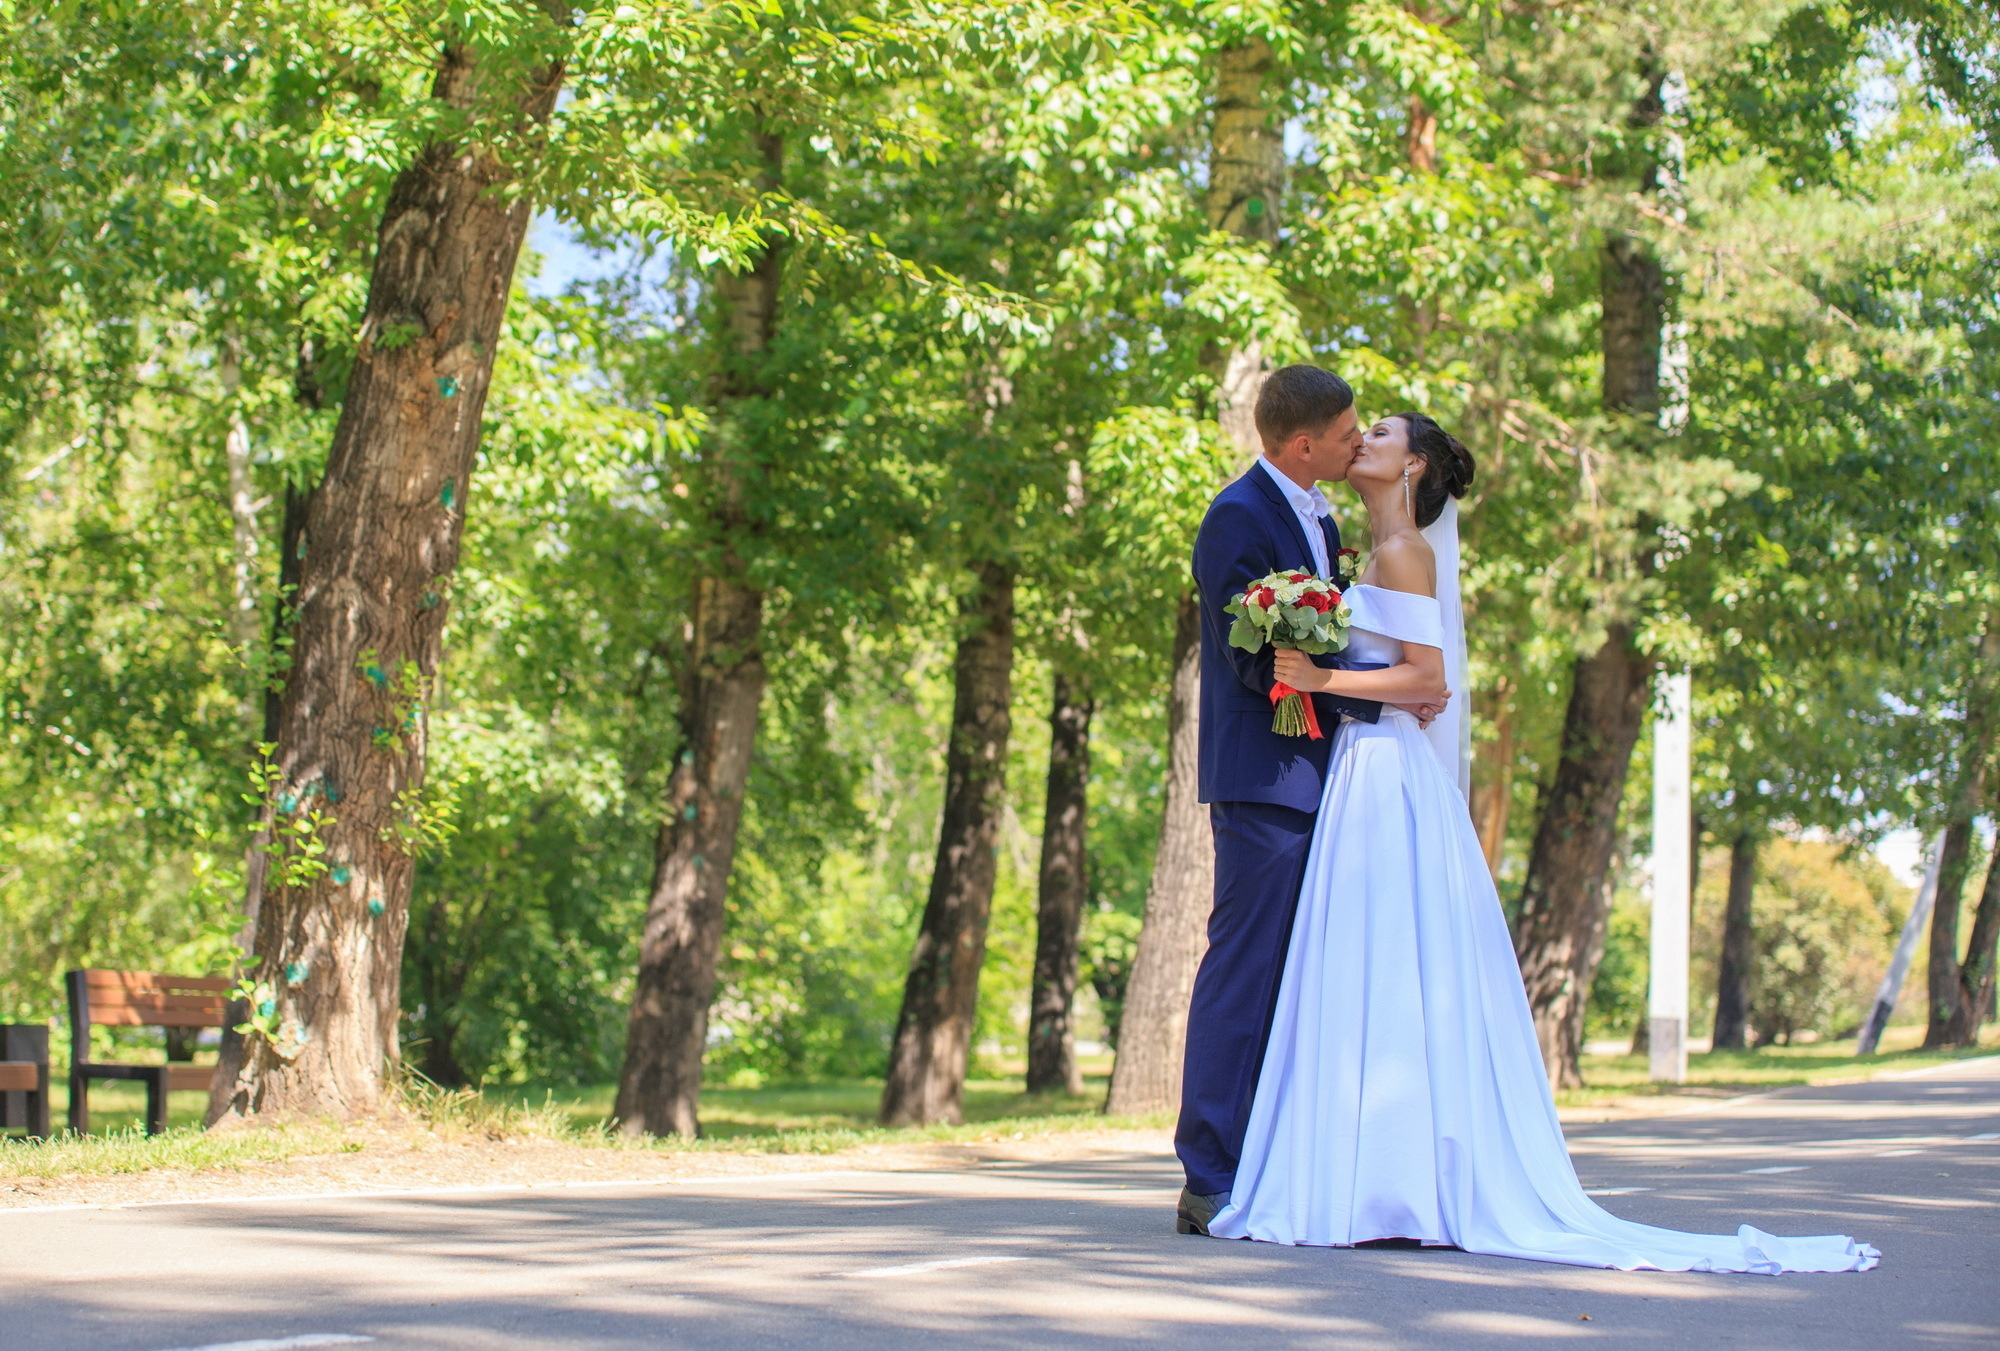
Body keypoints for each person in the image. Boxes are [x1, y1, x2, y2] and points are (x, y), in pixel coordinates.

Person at [1198, 407, 1879, 1274]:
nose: (1362, 442)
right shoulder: (1353, 548)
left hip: (1382, 774)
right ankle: (1360, 1167)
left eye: (1381, 437)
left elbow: (1426, 679)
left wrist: (1322, 676)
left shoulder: (1400, 553)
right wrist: (1335, 676)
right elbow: (1391, 672)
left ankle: (1391, 1177)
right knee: (1359, 968)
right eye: (1356, 432)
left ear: (1410, 472)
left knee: (1383, 961)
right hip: (1353, 774)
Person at [1174, 364, 1441, 1235]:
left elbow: (1318, 645)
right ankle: (1208, 1173)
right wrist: (1388, 692)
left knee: (1301, 981)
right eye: (1346, 432)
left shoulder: (1322, 515)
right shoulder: (1237, 518)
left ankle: (1275, 1160)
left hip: (1331, 776)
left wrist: (1387, 691)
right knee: (1244, 971)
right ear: (1303, 445)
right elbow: (1260, 664)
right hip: (1266, 781)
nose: (1357, 441)